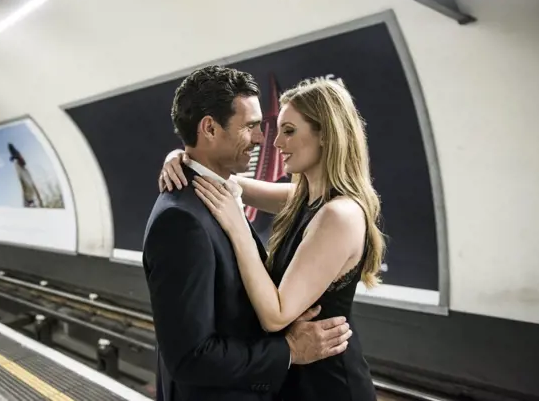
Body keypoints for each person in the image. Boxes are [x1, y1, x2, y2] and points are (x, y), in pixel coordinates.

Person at [159, 76, 383, 400]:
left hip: (329, 386)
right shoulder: (303, 198)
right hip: (296, 378)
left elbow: (276, 315)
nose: (276, 143)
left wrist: (238, 228)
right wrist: (181, 158)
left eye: (289, 131)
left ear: (326, 135)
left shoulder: (339, 216)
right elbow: (226, 181)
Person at [7, 143, 43, 208]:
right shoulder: (17, 163)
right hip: (21, 169)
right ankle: (29, 202)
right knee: (26, 185)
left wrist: (16, 157)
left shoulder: (19, 161)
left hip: (23, 170)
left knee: (28, 185)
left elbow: (23, 162)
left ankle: (30, 202)